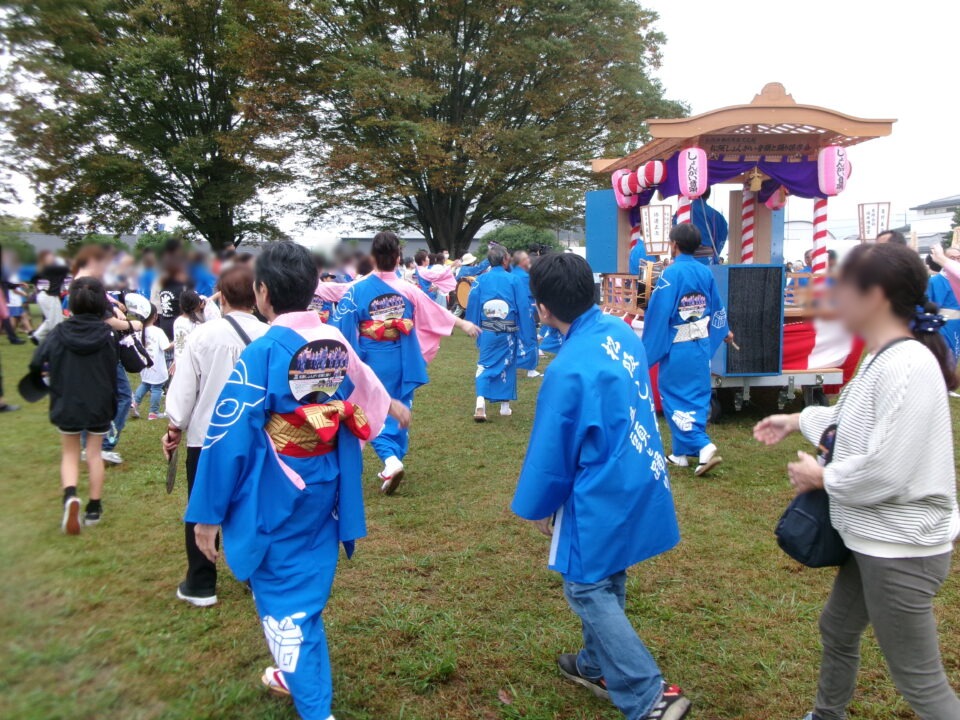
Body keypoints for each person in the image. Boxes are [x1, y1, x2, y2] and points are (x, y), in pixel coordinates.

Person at [184, 242, 410, 718]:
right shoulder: (332, 339)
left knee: (282, 591)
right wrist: (390, 405)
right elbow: (365, 384)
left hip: (279, 485)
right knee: (307, 572)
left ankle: (315, 707)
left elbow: (229, 433)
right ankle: (295, 668)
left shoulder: (265, 350)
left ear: (263, 292)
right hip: (327, 478)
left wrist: (206, 514)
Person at [754, 242, 960, 720]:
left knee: (921, 683)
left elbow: (889, 469)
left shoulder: (908, 364)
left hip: (901, 549)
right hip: (875, 540)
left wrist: (821, 477)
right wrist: (794, 420)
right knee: (838, 628)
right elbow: (852, 418)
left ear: (875, 297)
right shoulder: (883, 355)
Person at [512, 253, 690, 720]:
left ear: (543, 308)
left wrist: (542, 505)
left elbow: (554, 449)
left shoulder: (567, 369)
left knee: (585, 586)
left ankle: (648, 694)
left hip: (599, 485)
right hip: (637, 467)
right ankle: (595, 665)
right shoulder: (620, 331)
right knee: (610, 568)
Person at [333, 231, 479, 493]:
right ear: (398, 258)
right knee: (401, 407)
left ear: (372, 258)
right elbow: (436, 312)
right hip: (402, 358)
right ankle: (395, 456)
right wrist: (463, 323)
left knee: (372, 409)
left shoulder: (356, 290)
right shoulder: (407, 289)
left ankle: (390, 460)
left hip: (372, 359)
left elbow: (340, 327)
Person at [163, 265, 268, 607]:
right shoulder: (268, 335)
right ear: (257, 294)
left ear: (221, 296)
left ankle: (201, 582)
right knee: (252, 506)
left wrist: (174, 425)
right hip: (256, 436)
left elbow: (184, 390)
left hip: (207, 438)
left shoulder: (202, 337)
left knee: (202, 505)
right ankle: (256, 576)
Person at [28, 277, 119, 533]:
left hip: (67, 401)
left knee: (70, 453)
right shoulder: (107, 334)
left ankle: (70, 495)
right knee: (94, 453)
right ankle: (94, 507)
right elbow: (112, 367)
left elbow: (37, 361)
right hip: (99, 403)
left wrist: (43, 379)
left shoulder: (58, 332)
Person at [642, 224, 729, 476]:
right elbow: (717, 307)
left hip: (679, 346)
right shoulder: (705, 272)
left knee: (674, 394)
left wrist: (648, 349)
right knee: (696, 394)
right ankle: (680, 454)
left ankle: (703, 445)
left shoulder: (671, 273)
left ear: (674, 245)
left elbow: (659, 313)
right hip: (700, 345)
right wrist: (724, 330)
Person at [467, 244, 537, 421]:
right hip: (508, 331)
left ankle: (480, 402)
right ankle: (504, 407)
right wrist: (527, 334)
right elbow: (523, 307)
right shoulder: (513, 280)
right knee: (508, 364)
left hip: (488, 330)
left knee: (484, 365)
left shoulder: (480, 280)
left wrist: (473, 325)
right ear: (505, 260)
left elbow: (473, 303)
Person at [132, 305, 171, 421]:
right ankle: (153, 412)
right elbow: (166, 347)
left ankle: (134, 403)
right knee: (157, 387)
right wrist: (176, 343)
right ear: (155, 316)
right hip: (156, 366)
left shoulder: (139, 331)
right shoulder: (158, 331)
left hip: (144, 365)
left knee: (145, 384)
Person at [674, 188, 728, 264]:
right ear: (708, 194)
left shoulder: (682, 213)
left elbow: (674, 235)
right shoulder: (716, 215)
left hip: (685, 259)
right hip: (708, 259)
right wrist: (715, 252)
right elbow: (722, 235)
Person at [925, 245, 960, 362]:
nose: (956, 261)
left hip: (957, 325)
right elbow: (928, 306)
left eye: (959, 258)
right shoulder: (935, 281)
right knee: (946, 357)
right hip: (944, 326)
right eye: (952, 258)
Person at [511, 250, 541, 378]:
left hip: (513, 311)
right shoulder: (524, 277)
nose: (529, 260)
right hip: (525, 309)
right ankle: (531, 368)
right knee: (530, 337)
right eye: (526, 258)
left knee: (514, 337)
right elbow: (534, 293)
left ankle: (513, 364)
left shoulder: (511, 274)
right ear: (522, 262)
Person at [29, 250, 70, 344]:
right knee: (55, 321)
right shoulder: (57, 268)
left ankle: (37, 336)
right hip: (49, 296)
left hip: (47, 296)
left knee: (53, 320)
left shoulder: (46, 269)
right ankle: (56, 341)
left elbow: (33, 279)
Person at [172, 290, 205, 363]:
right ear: (196, 305)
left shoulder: (177, 321)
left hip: (178, 361)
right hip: (190, 363)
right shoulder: (197, 325)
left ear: (180, 305)